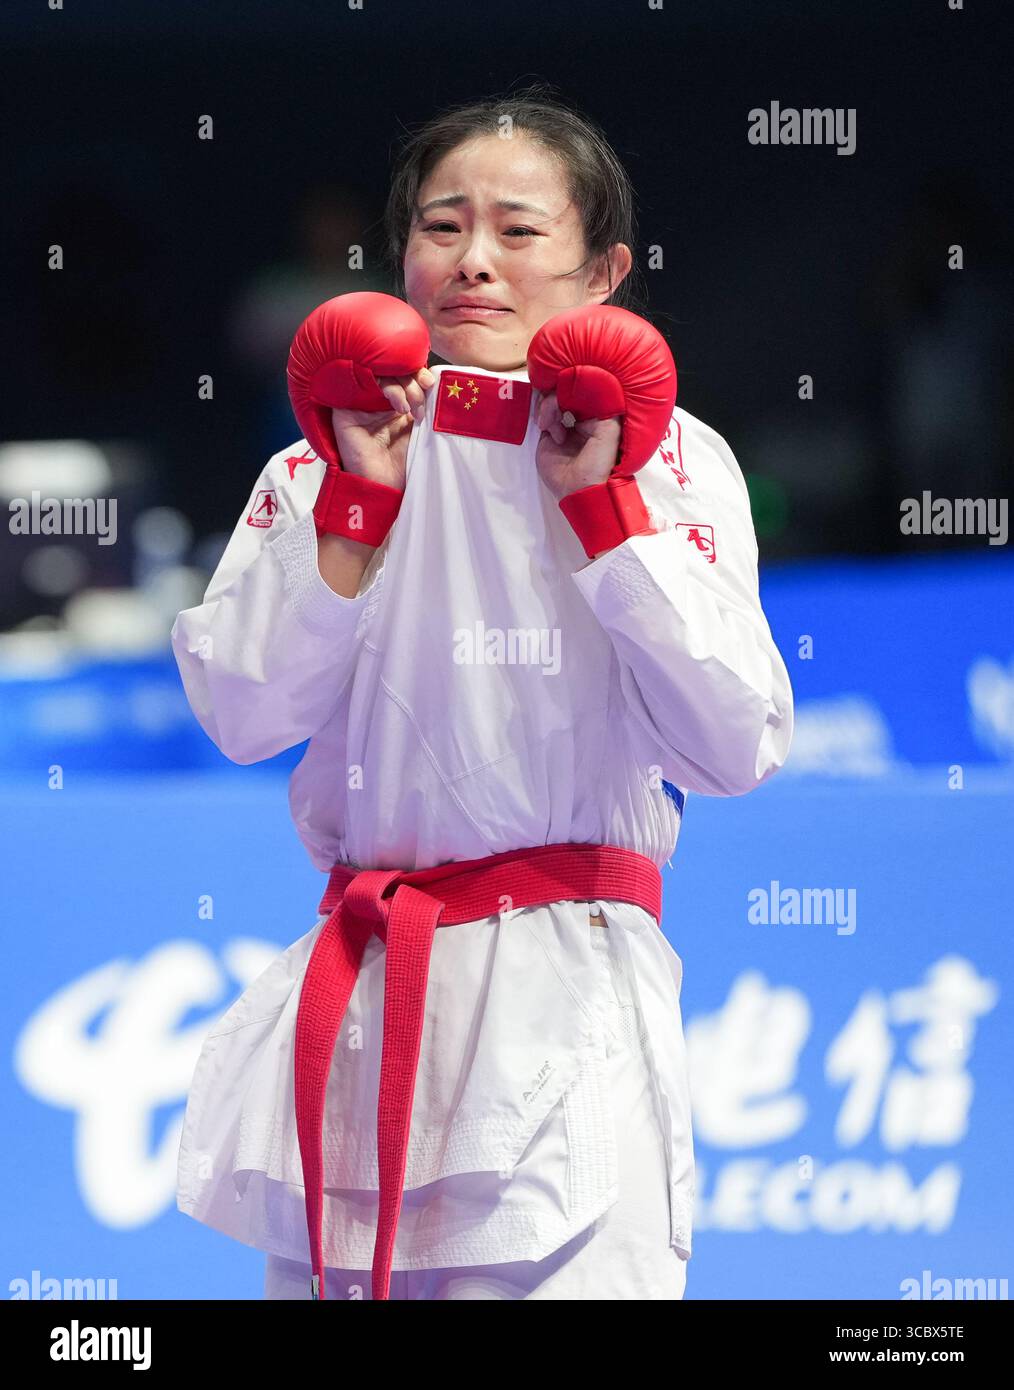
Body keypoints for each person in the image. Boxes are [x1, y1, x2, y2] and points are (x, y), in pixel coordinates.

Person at [170, 84, 794, 1301]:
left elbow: (738, 743)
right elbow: (241, 716)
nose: (474, 261)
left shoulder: (672, 458)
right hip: (367, 997)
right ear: (400, 259)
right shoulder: (315, 461)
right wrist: (359, 506)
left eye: (519, 230)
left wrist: (604, 512)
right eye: (443, 227)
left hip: (568, 994)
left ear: (604, 272)